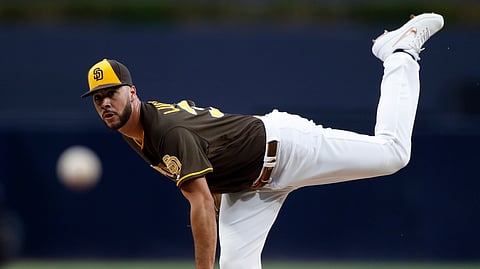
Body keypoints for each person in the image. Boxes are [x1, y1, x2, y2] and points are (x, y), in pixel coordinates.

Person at [82, 13, 444, 269]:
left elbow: (202, 204)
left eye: (111, 93)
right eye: (98, 98)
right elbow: (212, 172)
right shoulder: (134, 131)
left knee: (393, 154)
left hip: (284, 148)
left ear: (132, 91)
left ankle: (399, 52)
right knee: (238, 264)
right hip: (249, 188)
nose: (105, 103)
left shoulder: (166, 132)